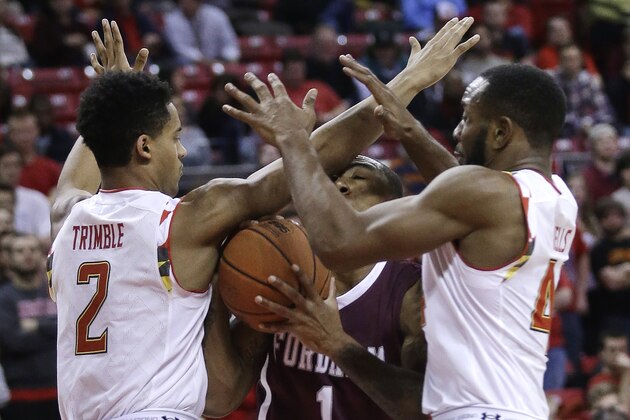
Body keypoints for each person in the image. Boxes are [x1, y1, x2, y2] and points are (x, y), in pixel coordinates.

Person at [48, 17, 477, 420]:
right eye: (174, 138)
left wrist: (117, 101)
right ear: (144, 147)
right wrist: (411, 81)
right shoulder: (183, 220)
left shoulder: (67, 215)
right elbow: (313, 157)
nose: (180, 151)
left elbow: (94, 153)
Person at [232, 26, 578, 419]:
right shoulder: (556, 197)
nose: (457, 131)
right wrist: (409, 128)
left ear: (500, 131)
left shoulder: (485, 195)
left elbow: (338, 243)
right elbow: (467, 188)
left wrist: (294, 140)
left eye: (467, 119)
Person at [255, 156, 425, 419]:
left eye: (359, 179)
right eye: (330, 179)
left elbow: (423, 407)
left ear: (394, 209)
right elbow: (221, 395)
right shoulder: (279, 270)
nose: (340, 185)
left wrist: (336, 344)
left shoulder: (410, 290)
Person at [0, 233, 58, 420]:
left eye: (32, 249)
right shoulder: (4, 298)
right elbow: (14, 341)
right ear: (8, 258)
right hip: (21, 397)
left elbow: (69, 331)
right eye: (20, 251)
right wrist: (52, 326)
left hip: (61, 391)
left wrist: (35, 325)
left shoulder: (56, 290)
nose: (27, 255)